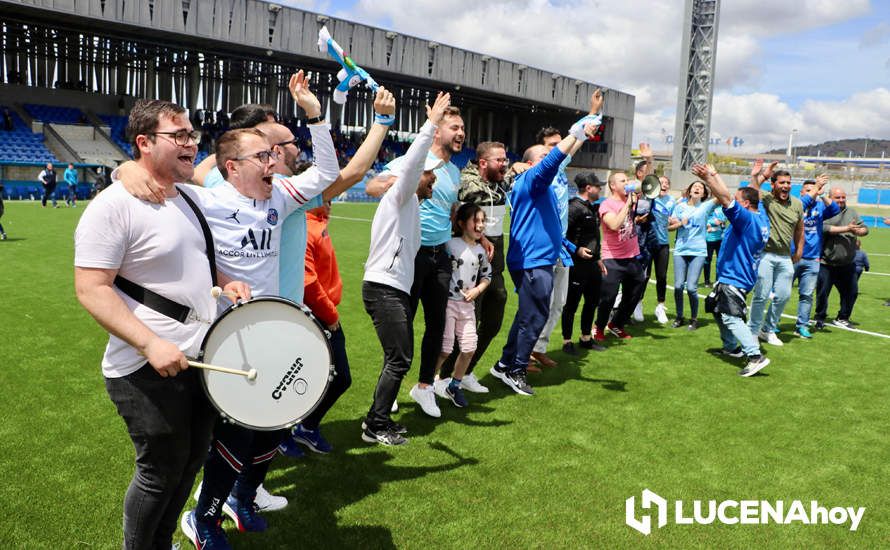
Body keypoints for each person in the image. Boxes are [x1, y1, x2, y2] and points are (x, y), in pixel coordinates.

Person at [73, 98, 251, 550]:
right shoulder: (113, 205)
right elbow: (92, 288)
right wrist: (151, 344)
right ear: (144, 143)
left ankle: (162, 542)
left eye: (192, 134)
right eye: (180, 136)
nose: (191, 142)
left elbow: (197, 261)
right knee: (158, 471)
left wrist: (227, 283)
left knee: (190, 460)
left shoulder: (190, 196)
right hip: (143, 367)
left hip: (198, 360)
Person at [490, 89, 603, 396]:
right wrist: (578, 129)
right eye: (542, 155)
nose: (549, 159)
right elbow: (556, 157)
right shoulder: (533, 179)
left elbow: (561, 157)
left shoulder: (541, 183)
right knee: (534, 315)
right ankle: (515, 368)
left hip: (539, 257)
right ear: (528, 163)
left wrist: (591, 118)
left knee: (529, 314)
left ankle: (504, 365)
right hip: (533, 260)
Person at [366, 100, 467, 419]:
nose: (461, 132)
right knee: (402, 324)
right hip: (411, 256)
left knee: (437, 325)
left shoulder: (453, 172)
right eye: (455, 127)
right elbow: (371, 186)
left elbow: (451, 214)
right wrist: (391, 184)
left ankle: (424, 387)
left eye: (463, 128)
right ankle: (390, 390)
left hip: (441, 256)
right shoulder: (411, 163)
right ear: (437, 132)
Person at [442, 141, 513, 393]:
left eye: (506, 160)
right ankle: (443, 379)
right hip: (468, 267)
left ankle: (467, 372)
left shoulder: (499, 182)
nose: (505, 164)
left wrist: (523, 168)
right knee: (467, 325)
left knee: (493, 321)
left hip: (494, 266)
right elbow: (460, 205)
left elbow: (509, 178)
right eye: (500, 160)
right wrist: (479, 236)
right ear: (483, 163)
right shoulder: (468, 182)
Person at [690, 164, 771, 377]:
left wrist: (710, 178)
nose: (733, 200)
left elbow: (725, 198)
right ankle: (731, 347)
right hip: (736, 274)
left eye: (738, 199)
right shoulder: (760, 216)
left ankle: (755, 356)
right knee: (717, 308)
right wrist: (755, 177)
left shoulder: (744, 219)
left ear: (744, 204)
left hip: (735, 276)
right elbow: (752, 193)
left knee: (731, 317)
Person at [529, 127, 593, 367]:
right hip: (541, 248)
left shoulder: (559, 172)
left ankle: (538, 348)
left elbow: (574, 143)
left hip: (561, 247)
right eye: (554, 144)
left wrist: (587, 125)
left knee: (558, 303)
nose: (562, 146)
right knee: (537, 304)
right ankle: (522, 355)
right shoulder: (538, 174)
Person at [431, 203, 492, 407]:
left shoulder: (481, 251)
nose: (481, 225)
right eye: (476, 220)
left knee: (468, 349)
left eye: (483, 221)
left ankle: (454, 386)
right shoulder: (449, 244)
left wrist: (477, 290)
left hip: (467, 307)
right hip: (448, 303)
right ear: (461, 223)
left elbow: (487, 276)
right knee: (445, 349)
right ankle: (426, 384)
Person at [766, 175, 837, 338]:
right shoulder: (793, 205)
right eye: (809, 190)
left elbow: (834, 210)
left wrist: (822, 194)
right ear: (802, 192)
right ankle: (772, 323)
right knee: (781, 292)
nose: (813, 192)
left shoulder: (819, 206)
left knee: (806, 294)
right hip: (791, 256)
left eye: (815, 189)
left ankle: (802, 325)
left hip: (812, 259)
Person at [746, 160, 805, 345]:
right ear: (774, 184)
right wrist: (757, 175)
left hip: (785, 256)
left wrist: (799, 250)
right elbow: (751, 191)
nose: (786, 186)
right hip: (765, 254)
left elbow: (799, 229)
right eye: (782, 182)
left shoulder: (797, 204)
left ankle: (768, 329)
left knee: (784, 295)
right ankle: (753, 331)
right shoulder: (766, 198)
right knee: (761, 295)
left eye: (788, 182)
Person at [593, 171, 647, 343]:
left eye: (627, 180)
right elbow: (615, 225)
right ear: (613, 185)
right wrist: (628, 204)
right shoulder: (606, 205)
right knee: (608, 297)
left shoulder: (631, 200)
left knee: (635, 293)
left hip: (631, 257)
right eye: (622, 181)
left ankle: (616, 324)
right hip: (612, 258)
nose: (626, 183)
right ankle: (599, 327)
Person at [561, 172, 605, 353]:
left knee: (592, 301)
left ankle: (586, 338)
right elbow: (561, 235)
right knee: (572, 303)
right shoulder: (573, 207)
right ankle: (567, 341)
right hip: (576, 264)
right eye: (598, 186)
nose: (601, 189)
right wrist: (576, 249)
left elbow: (595, 236)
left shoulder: (592, 207)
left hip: (592, 264)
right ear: (588, 188)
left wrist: (599, 258)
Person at [814, 187, 869, 329]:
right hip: (827, 263)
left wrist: (860, 231)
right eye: (837, 197)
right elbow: (824, 228)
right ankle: (819, 317)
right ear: (831, 198)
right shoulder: (825, 211)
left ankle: (843, 317)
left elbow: (864, 228)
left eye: (843, 197)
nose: (841, 200)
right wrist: (848, 228)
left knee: (851, 292)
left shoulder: (852, 212)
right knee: (822, 293)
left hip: (847, 264)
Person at [667, 180, 718, 330]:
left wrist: (710, 178)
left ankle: (694, 318)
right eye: (695, 186)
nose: (697, 188)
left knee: (691, 288)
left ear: (704, 194)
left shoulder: (705, 206)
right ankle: (679, 316)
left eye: (700, 188)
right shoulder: (680, 207)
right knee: (677, 286)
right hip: (681, 250)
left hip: (698, 251)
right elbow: (670, 227)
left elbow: (720, 196)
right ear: (689, 191)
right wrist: (681, 223)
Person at [650, 175, 675, 324]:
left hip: (663, 244)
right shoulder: (649, 198)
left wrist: (673, 223)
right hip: (647, 243)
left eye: (667, 183)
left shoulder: (672, 201)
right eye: (661, 183)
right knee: (644, 277)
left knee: (662, 276)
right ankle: (637, 304)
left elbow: (673, 223)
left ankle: (660, 306)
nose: (664, 185)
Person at [702, 206, 727, 287]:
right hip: (709, 239)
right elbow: (705, 219)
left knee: (720, 260)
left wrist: (721, 223)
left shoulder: (722, 208)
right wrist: (711, 223)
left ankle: (718, 280)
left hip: (720, 238)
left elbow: (724, 221)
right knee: (707, 260)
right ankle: (707, 281)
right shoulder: (710, 207)